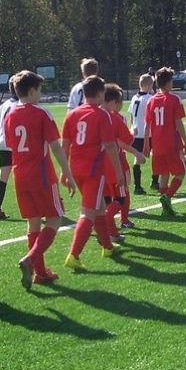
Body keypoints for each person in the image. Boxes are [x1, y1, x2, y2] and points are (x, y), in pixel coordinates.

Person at [4, 71, 76, 289]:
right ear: (32, 91)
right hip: (42, 175)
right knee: (54, 219)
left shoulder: (9, 116)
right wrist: (68, 173)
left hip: (20, 176)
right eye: (40, 90)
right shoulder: (41, 114)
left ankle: (41, 273)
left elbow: (9, 147)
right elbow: (55, 146)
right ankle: (30, 259)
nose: (41, 94)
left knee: (33, 222)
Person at [62, 76, 125, 271]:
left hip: (75, 169)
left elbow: (65, 145)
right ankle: (73, 255)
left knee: (98, 209)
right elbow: (110, 146)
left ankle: (107, 246)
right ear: (99, 94)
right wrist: (119, 172)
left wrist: (65, 173)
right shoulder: (101, 115)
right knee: (87, 213)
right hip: (93, 171)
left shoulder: (72, 114)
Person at [144, 67, 186, 217]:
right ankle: (167, 197)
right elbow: (178, 123)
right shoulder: (174, 99)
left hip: (156, 145)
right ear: (169, 83)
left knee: (164, 174)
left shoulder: (151, 101)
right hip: (172, 143)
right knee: (181, 173)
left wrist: (146, 145)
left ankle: (166, 209)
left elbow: (147, 125)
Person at [102, 83, 145, 231]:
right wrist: (134, 132)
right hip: (117, 162)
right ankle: (120, 219)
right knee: (122, 194)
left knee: (107, 197)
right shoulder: (117, 118)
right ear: (114, 103)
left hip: (99, 164)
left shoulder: (95, 116)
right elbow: (124, 141)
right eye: (120, 102)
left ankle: (110, 227)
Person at [0, 79, 18, 220]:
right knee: (28, 174)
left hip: (4, 145)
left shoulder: (5, 104)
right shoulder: (21, 105)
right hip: (19, 146)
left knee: (3, 176)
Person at [128, 73, 158, 194]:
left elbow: (131, 116)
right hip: (148, 132)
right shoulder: (149, 98)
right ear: (148, 85)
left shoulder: (134, 98)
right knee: (156, 155)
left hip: (136, 132)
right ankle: (155, 182)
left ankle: (137, 186)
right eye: (151, 85)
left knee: (137, 158)